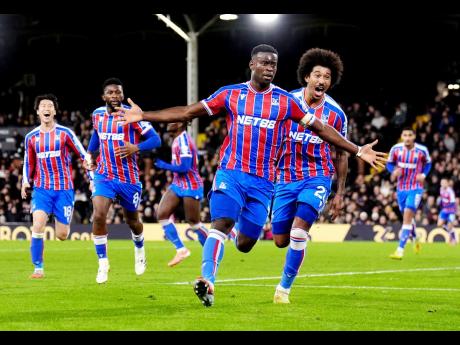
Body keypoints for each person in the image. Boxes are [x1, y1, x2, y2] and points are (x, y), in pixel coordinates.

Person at [114, 44, 387, 307]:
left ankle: (244, 258)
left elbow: (322, 128)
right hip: (231, 173)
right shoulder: (230, 95)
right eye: (264, 63)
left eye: (274, 64)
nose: (269, 68)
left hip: (264, 183)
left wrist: (356, 150)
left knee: (246, 243)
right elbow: (187, 111)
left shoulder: (285, 101)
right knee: (221, 223)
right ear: (252, 64)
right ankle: (208, 281)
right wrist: (143, 115)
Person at [271, 48, 349, 304]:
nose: (322, 81)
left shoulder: (336, 114)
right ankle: (299, 239)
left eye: (327, 77)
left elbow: (342, 153)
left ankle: (283, 289)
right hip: (285, 177)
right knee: (281, 240)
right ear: (306, 77)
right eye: (317, 75)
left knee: (297, 233)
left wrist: (339, 193)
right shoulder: (286, 101)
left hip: (317, 176)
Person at [86, 78, 161, 284]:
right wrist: (90, 154)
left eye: (118, 92)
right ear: (104, 97)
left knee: (132, 221)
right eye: (110, 93)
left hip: (128, 178)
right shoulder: (97, 114)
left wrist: (135, 147)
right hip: (104, 176)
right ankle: (103, 263)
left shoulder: (132, 115)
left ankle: (139, 248)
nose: (115, 96)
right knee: (99, 215)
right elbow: (96, 134)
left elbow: (156, 139)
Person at [21, 94, 90, 279]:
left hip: (63, 190)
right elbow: (29, 162)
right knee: (37, 226)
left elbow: (83, 155)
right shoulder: (31, 137)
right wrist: (25, 181)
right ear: (38, 111)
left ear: (54, 111)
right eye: (43, 105)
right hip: (42, 189)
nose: (46, 108)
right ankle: (38, 268)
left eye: (50, 105)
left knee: (62, 235)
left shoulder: (65, 133)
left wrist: (91, 178)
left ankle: (59, 217)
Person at [154, 121, 209, 267]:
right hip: (178, 184)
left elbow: (185, 167)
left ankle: (212, 249)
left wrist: (163, 165)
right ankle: (181, 249)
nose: (169, 123)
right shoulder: (177, 139)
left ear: (180, 124)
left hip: (191, 185)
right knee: (162, 214)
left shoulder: (184, 141)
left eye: (172, 121)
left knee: (194, 223)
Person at [387, 127, 431, 259]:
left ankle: (399, 250)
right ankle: (416, 238)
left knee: (407, 217)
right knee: (408, 218)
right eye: (405, 135)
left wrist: (423, 174)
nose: (407, 138)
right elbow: (389, 164)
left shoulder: (422, 151)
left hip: (416, 188)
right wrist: (393, 171)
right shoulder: (396, 149)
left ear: (414, 137)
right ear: (401, 136)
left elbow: (428, 164)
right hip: (401, 189)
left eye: (410, 135)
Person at [437, 178, 458, 245]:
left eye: (444, 183)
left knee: (449, 225)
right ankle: (451, 232)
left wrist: (454, 211)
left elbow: (453, 203)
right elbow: (443, 200)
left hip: (451, 210)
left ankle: (453, 238)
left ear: (447, 183)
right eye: (442, 183)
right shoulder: (441, 189)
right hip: (444, 210)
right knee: (439, 224)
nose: (443, 184)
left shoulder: (450, 191)